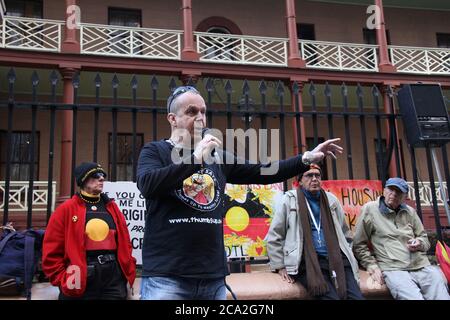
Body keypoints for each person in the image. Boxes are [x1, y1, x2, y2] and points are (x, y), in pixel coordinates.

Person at [136, 85, 344, 300]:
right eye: (191, 112)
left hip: (212, 276)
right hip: (167, 277)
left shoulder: (217, 156)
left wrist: (306, 159)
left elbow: (265, 171)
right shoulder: (155, 151)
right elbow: (148, 185)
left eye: (203, 112)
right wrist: (195, 158)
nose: (200, 118)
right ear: (172, 119)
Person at [266, 164, 363, 300]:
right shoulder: (289, 200)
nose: (314, 179)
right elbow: (275, 235)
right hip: (308, 262)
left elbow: (345, 233)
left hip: (337, 260)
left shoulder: (331, 200)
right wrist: (279, 265)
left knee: (357, 297)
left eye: (317, 175)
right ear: (299, 181)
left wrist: (347, 252)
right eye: (309, 175)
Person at [42, 162, 136, 300]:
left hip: (113, 277)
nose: (102, 178)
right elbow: (51, 251)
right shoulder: (66, 209)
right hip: (78, 276)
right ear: (83, 180)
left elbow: (125, 243)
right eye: (96, 175)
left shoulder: (112, 207)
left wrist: (126, 271)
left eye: (103, 175)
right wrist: (64, 280)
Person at [353, 177, 450, 300]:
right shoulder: (370, 209)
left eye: (398, 192)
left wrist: (419, 242)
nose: (393, 194)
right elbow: (358, 244)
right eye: (390, 189)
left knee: (441, 295)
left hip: (421, 265)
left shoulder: (410, 212)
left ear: (404, 196)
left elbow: (424, 239)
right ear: (384, 190)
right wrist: (372, 265)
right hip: (394, 268)